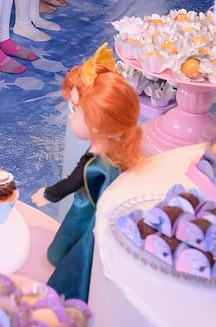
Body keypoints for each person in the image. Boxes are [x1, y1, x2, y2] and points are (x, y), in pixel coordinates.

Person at [32, 45, 142, 303]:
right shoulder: (114, 153)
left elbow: (73, 182)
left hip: (87, 214)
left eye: (74, 110)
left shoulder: (95, 164)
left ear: (97, 121)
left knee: (76, 247)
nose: (70, 117)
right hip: (104, 210)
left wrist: (48, 194)